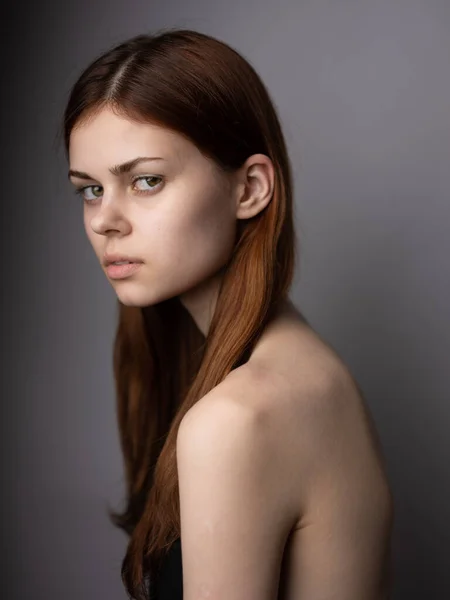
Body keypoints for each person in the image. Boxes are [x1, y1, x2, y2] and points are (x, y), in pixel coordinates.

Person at [61, 27, 394, 600]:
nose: (104, 220)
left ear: (250, 188)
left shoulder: (236, 420)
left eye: (145, 180)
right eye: (89, 190)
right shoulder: (303, 369)